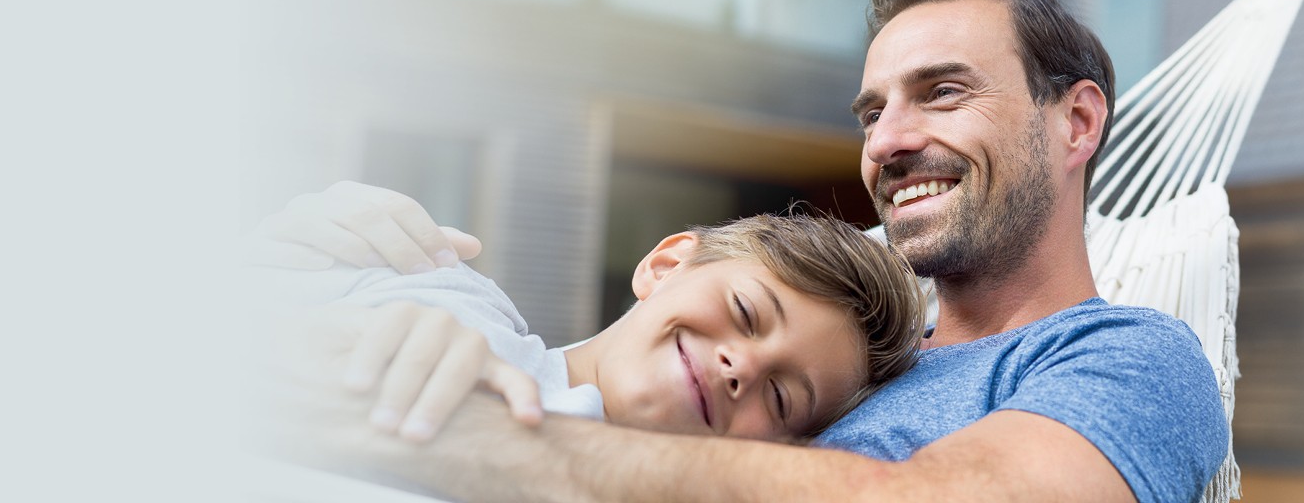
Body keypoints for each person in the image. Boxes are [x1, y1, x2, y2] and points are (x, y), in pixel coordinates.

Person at [266, 0, 1229, 503]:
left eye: (942, 93)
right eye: (871, 111)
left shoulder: (1128, 359)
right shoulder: (856, 357)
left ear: (1077, 122)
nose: (890, 141)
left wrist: (452, 441)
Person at [265, 213, 923, 445]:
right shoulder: (433, 282)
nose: (742, 368)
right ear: (667, 265)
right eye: (747, 315)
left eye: (781, 398)